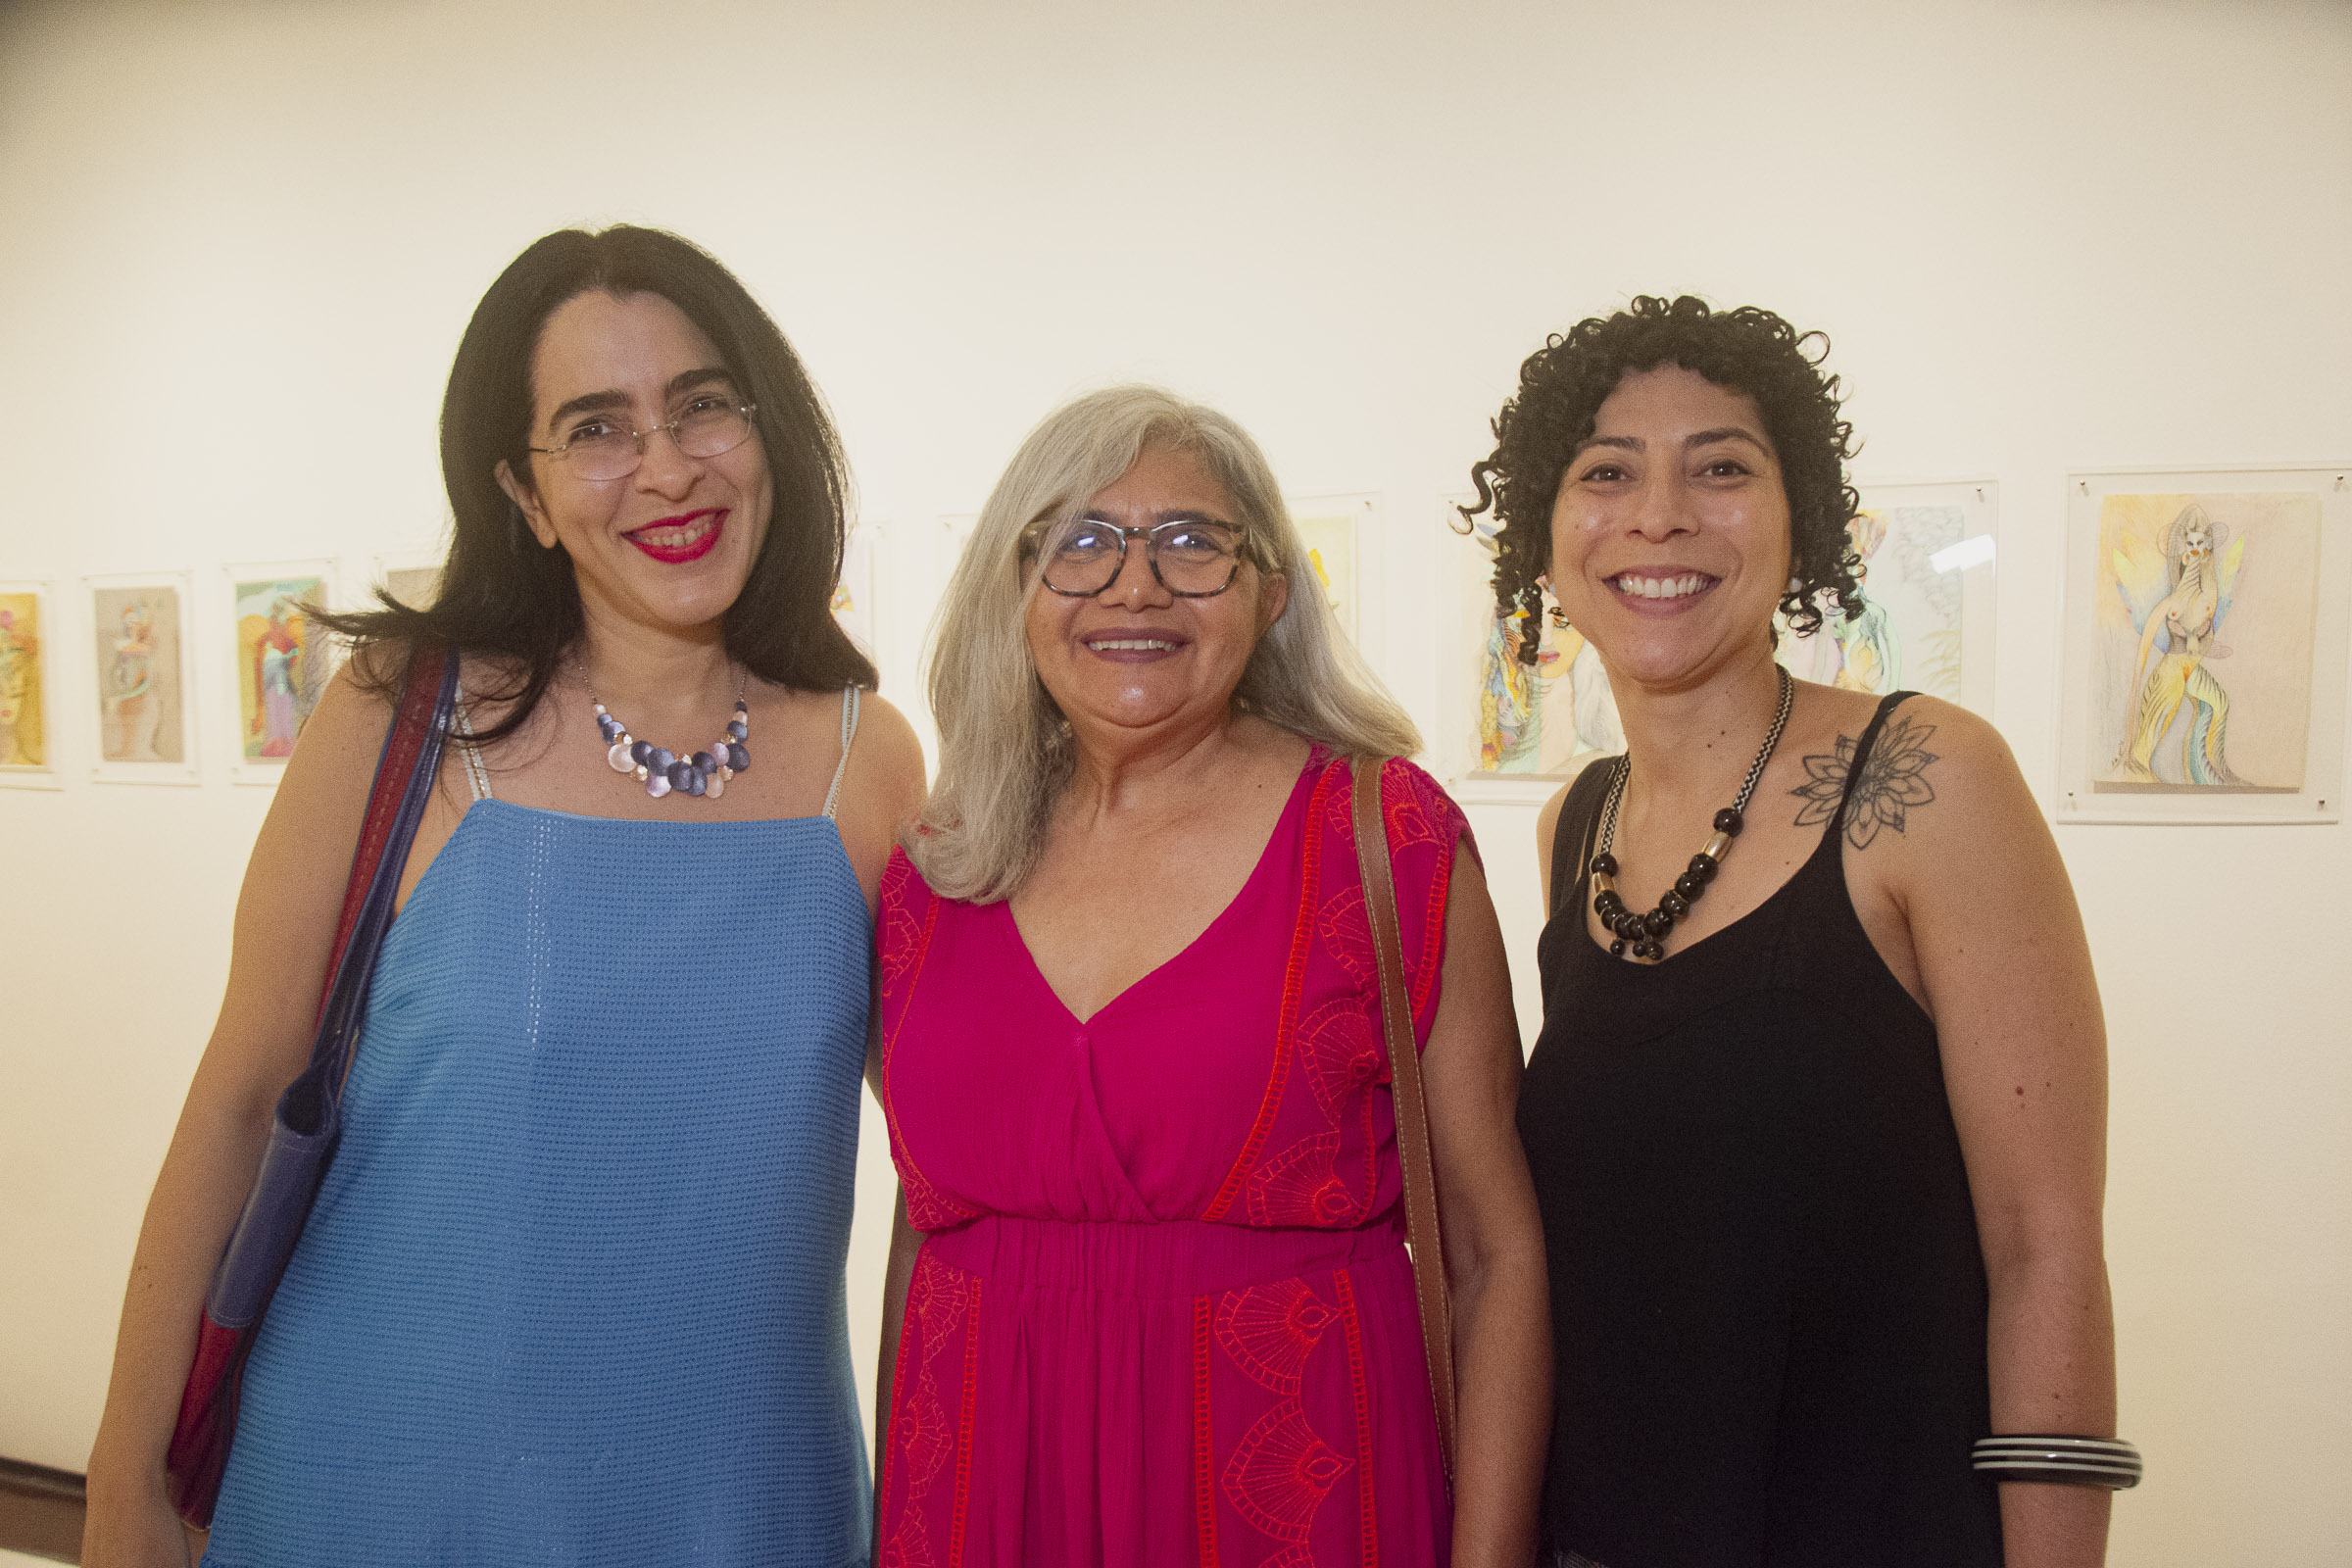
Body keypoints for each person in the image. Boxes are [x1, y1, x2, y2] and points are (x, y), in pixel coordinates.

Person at [81, 225, 924, 1568]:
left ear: (767, 432)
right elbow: (239, 1101)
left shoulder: (865, 762)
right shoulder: (400, 722)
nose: (667, 466)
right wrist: (124, 1484)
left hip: (742, 1497)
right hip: (383, 1492)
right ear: (524, 495)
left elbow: (958, 1135)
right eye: (596, 428)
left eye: (703, 403)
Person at [1473, 296, 2124, 1567]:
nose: (1660, 514)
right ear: (1543, 537)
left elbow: (2045, 1250)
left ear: (1799, 520)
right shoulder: (1575, 825)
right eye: (1607, 472)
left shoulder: (1927, 779)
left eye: (1721, 467)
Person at [869, 387, 1549, 1565]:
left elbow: (1493, 1256)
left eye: (1191, 542)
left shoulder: (1384, 840)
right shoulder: (936, 865)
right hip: (984, 1489)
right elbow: (919, 1231)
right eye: (1080, 541)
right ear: (1016, 586)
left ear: (1270, 591)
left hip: (1294, 1496)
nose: (1134, 585)